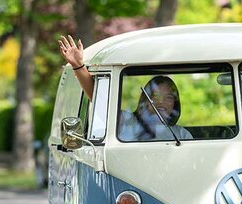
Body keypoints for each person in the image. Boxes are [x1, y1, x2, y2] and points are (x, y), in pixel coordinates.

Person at [58, 35, 191, 141]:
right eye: (156, 96)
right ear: (145, 99)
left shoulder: (182, 134)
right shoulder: (127, 121)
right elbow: (100, 101)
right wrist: (78, 66)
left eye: (168, 97)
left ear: (175, 103)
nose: (162, 102)